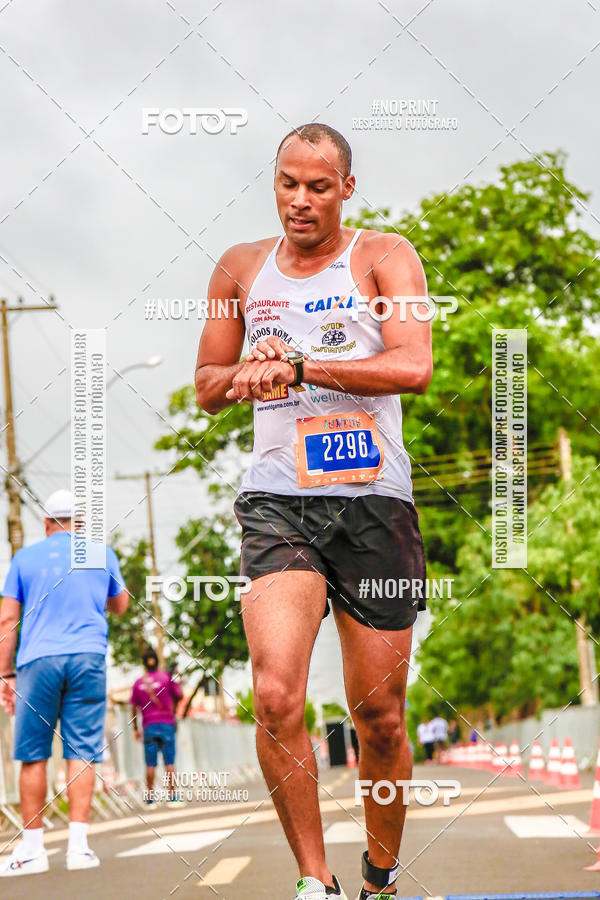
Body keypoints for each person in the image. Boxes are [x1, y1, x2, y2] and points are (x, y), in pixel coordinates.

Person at [195, 123, 432, 900]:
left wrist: (300, 364)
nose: (300, 200)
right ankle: (313, 881)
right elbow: (204, 385)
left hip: (374, 505)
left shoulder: (384, 256)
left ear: (346, 191)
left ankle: (380, 875)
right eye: (287, 183)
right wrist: (246, 377)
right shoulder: (239, 268)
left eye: (318, 186)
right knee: (274, 694)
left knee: (382, 720)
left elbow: (413, 365)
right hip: (277, 502)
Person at [0, 489, 129, 877]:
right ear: (80, 524)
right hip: (88, 657)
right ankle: (78, 848)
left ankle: (34, 850)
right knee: (83, 750)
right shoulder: (100, 553)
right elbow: (120, 604)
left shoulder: (24, 558)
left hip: (37, 662)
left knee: (33, 753)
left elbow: (7, 621)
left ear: (46, 523)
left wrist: (5, 674)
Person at [130, 648, 183, 805]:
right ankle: (173, 797)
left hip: (149, 726)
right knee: (169, 762)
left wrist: (135, 729)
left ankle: (150, 800)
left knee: (150, 764)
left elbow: (133, 707)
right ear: (157, 661)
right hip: (167, 724)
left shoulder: (138, 683)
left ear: (144, 663)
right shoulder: (167, 678)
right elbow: (179, 695)